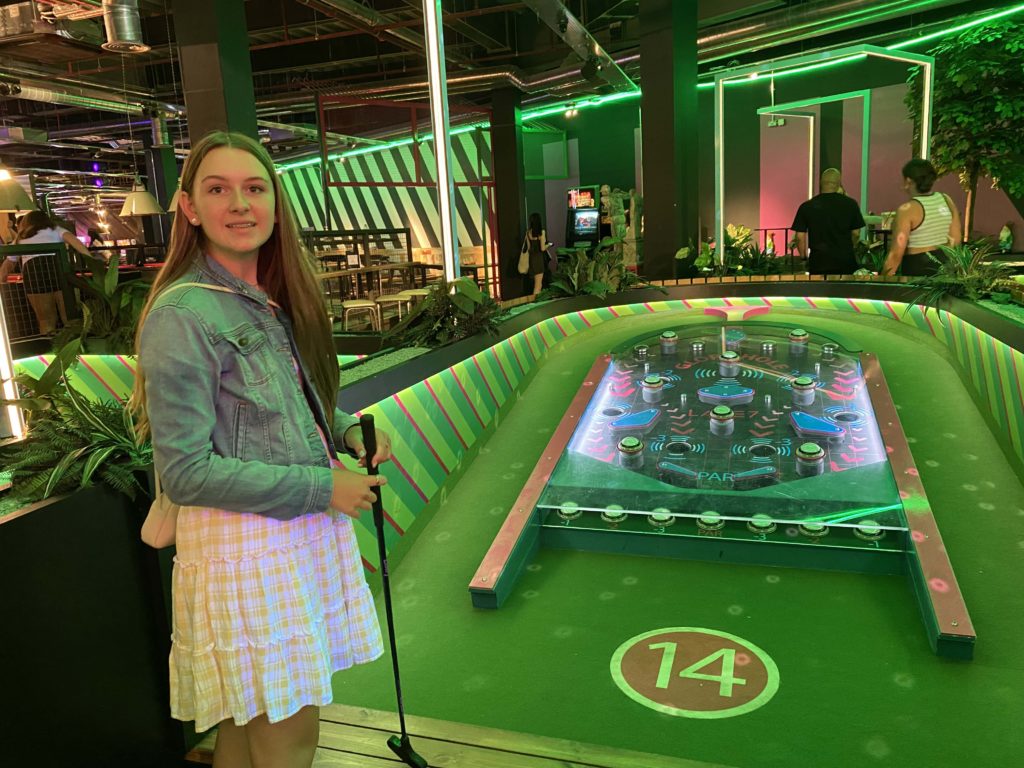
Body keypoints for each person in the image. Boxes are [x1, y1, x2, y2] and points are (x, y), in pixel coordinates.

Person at [130, 131, 392, 768]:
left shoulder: (266, 297)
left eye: (254, 188)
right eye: (218, 189)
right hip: (247, 549)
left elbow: (283, 400)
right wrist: (323, 487)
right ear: (190, 207)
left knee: (247, 726)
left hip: (286, 535)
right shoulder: (184, 313)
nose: (240, 204)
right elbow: (186, 472)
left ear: (275, 201)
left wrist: (346, 429)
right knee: (287, 735)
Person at [0, 210, 89, 336]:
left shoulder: (22, 236)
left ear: (26, 223)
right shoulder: (56, 230)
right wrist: (94, 264)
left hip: (34, 273)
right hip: (58, 268)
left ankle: (50, 345)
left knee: (46, 321)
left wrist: (2, 278)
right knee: (71, 318)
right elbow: (80, 246)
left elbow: (9, 262)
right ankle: (75, 344)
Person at [881, 158, 962, 276]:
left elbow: (896, 254)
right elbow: (956, 239)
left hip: (918, 267)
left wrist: (883, 279)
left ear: (908, 181)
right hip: (945, 264)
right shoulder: (946, 200)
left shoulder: (907, 210)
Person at [791, 168, 866, 275]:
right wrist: (850, 248)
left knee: (819, 286)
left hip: (818, 263)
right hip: (845, 262)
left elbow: (799, 237)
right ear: (838, 184)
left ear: (821, 183)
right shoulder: (851, 204)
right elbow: (856, 233)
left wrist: (803, 258)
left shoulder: (807, 206)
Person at [524, 211, 548, 294]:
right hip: (539, 260)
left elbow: (529, 248)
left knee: (536, 285)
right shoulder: (541, 232)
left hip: (532, 259)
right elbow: (542, 248)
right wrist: (548, 245)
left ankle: (536, 299)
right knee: (538, 286)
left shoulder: (528, 233)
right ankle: (536, 301)